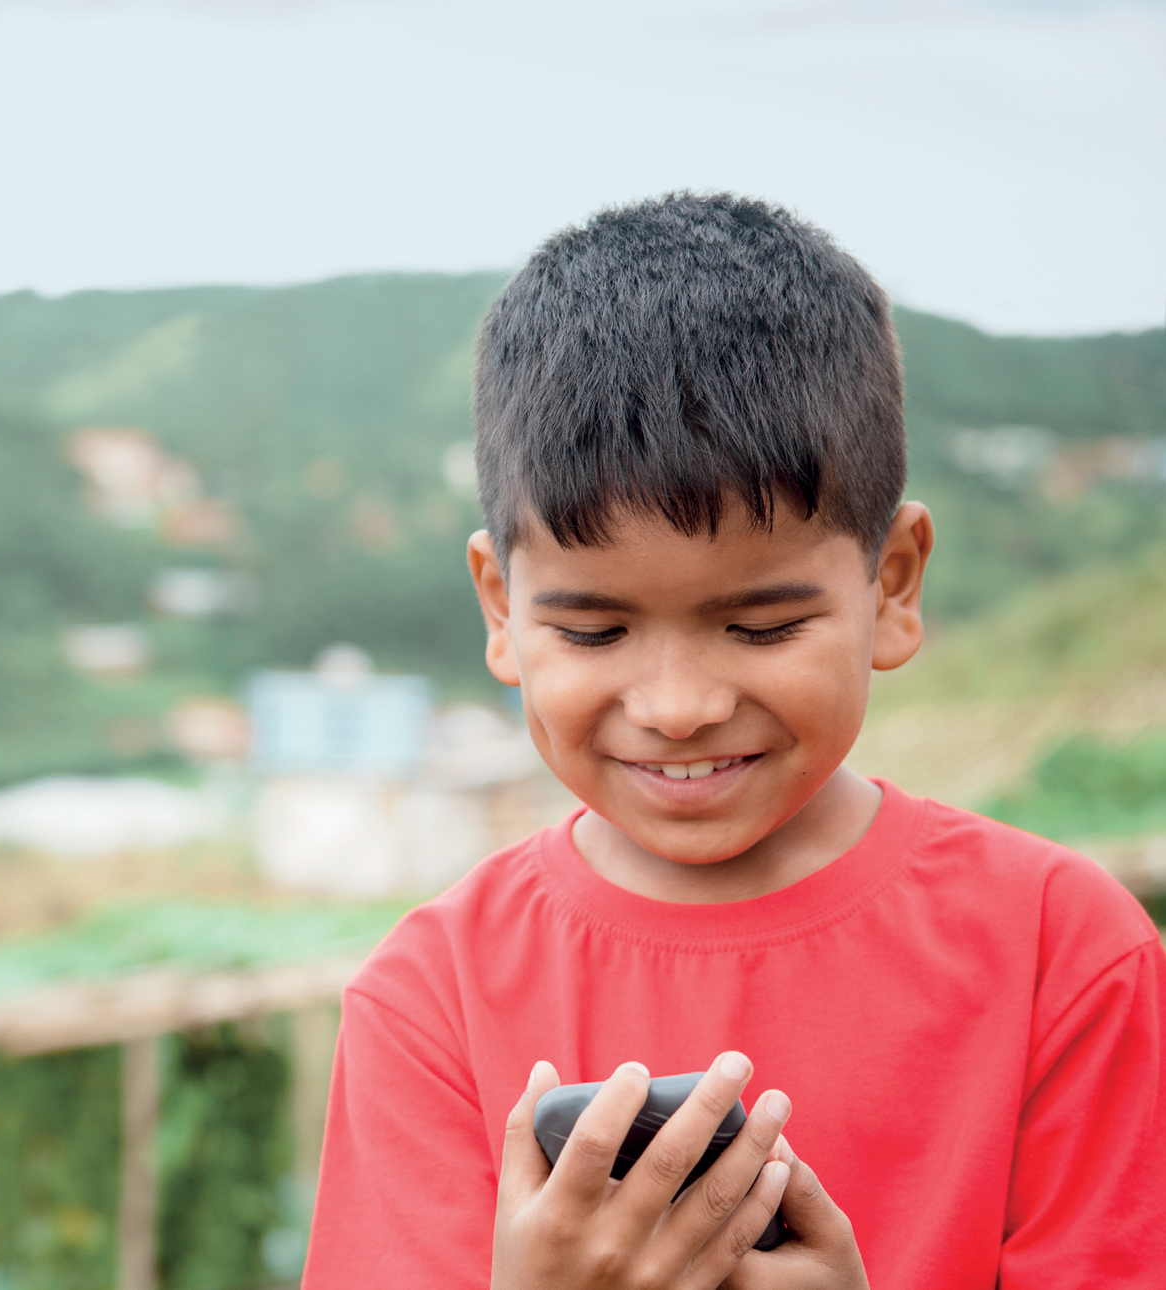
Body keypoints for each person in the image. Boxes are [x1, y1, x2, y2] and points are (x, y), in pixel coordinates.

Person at [299, 193, 1166, 1289]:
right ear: (499, 610)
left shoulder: (1061, 956)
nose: (676, 705)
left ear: (891, 584)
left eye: (761, 626)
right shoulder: (430, 999)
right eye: (593, 627)